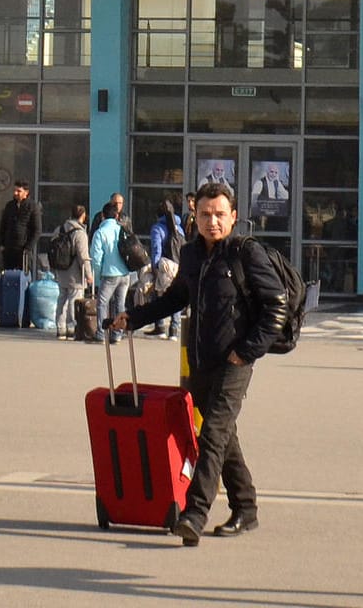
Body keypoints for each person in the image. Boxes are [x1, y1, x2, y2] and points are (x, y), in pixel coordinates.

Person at [111, 182, 287, 546]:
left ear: (234, 217)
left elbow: (277, 307)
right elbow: (175, 299)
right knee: (224, 436)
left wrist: (247, 350)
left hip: (235, 361)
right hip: (202, 360)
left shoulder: (245, 253)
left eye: (220, 215)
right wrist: (134, 317)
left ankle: (194, 513)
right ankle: (246, 507)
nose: (213, 221)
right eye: (206, 215)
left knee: (213, 433)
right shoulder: (192, 256)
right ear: (196, 215)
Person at [89, 202, 133, 343]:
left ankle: (102, 333)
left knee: (102, 303)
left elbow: (96, 257)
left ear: (102, 216)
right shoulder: (122, 229)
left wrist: (98, 272)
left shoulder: (100, 233)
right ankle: (118, 334)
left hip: (109, 273)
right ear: (116, 215)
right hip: (125, 273)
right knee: (120, 304)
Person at [145, 199, 185, 340]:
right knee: (177, 296)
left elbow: (157, 249)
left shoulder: (157, 228)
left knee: (160, 296)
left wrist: (155, 267)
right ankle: (174, 329)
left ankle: (160, 326)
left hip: (165, 266)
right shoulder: (179, 228)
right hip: (178, 265)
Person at [52, 204, 92, 341]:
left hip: (61, 271)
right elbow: (83, 256)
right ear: (83, 215)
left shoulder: (59, 229)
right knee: (73, 300)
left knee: (61, 299)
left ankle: (60, 328)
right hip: (75, 274)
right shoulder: (80, 233)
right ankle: (71, 327)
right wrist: (89, 275)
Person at [0, 179, 41, 273]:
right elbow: (3, 226)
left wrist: (28, 247)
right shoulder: (10, 206)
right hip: (9, 249)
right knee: (9, 276)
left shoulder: (32, 206)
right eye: (15, 190)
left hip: (23, 250)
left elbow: (37, 230)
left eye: (19, 191)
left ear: (26, 192)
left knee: (23, 277)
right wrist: (1, 244)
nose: (16, 193)